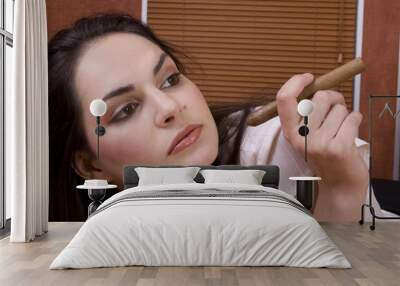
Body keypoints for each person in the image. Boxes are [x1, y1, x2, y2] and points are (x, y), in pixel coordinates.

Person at [48, 14, 382, 222]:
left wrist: (342, 187)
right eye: (127, 110)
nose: (169, 107)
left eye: (170, 79)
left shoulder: (287, 150)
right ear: (90, 165)